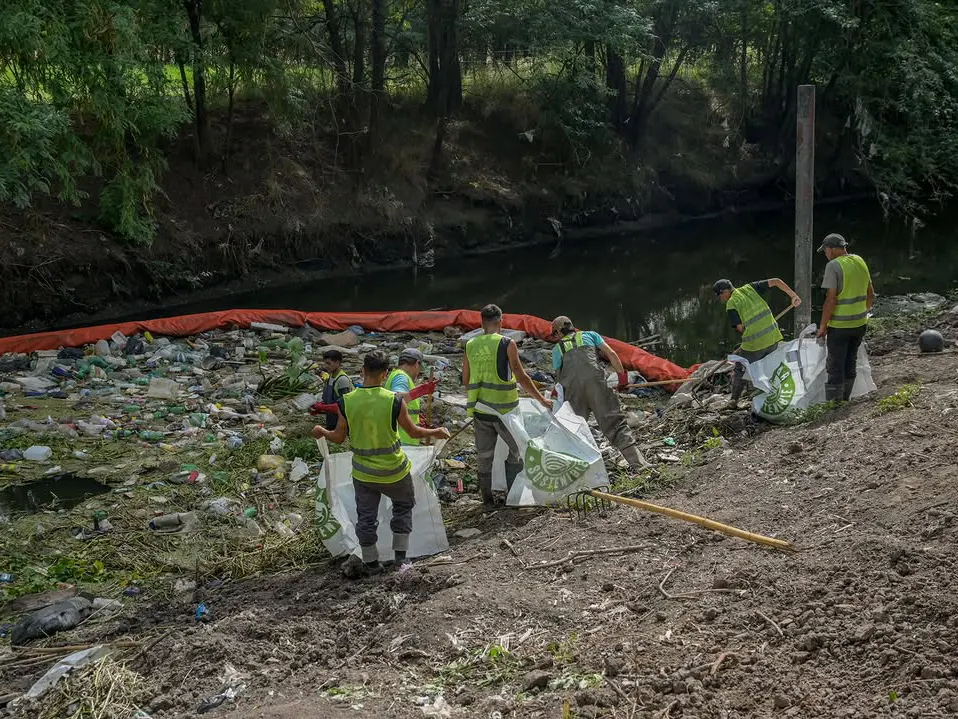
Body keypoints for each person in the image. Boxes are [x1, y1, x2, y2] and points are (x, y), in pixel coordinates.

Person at [313, 350, 449, 576]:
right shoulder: (394, 400)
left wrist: (322, 431)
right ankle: (401, 560)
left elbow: (338, 437)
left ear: (362, 371)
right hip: (395, 471)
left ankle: (371, 564)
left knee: (366, 518)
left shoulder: (347, 402)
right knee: (402, 508)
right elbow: (413, 432)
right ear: (385, 374)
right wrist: (436, 431)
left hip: (364, 474)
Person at [463, 304, 552, 505]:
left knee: (484, 456)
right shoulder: (506, 343)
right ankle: (513, 497)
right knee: (517, 450)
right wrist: (542, 400)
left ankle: (487, 501)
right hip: (504, 411)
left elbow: (466, 379)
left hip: (481, 410)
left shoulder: (470, 345)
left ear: (482, 323)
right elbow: (521, 376)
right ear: (500, 321)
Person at [550, 316, 648, 468]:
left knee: (574, 429)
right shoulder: (590, 335)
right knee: (615, 423)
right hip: (597, 386)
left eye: (554, 334)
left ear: (558, 332)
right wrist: (622, 377)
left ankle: (577, 468)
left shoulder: (557, 350)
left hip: (574, 393)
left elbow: (559, 379)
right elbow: (611, 354)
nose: (554, 337)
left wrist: (555, 396)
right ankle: (639, 464)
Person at [713, 277, 801, 407]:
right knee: (771, 368)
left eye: (720, 295)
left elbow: (740, 328)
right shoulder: (750, 288)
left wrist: (748, 334)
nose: (721, 298)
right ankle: (774, 396)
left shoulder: (731, 304)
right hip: (773, 337)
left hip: (754, 343)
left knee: (740, 368)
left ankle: (733, 401)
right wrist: (793, 296)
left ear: (725, 291)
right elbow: (776, 281)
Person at [816, 233, 873, 402]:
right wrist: (864, 312)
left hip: (840, 326)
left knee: (835, 366)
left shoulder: (833, 266)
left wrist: (823, 326)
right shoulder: (859, 260)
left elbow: (830, 299)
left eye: (826, 250)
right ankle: (845, 399)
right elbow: (870, 292)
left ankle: (834, 406)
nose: (825, 254)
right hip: (860, 323)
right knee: (850, 361)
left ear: (833, 249)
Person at [386, 348, 438, 446]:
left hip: (402, 439)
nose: (418, 373)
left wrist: (417, 420)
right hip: (402, 440)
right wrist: (421, 390)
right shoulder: (401, 377)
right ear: (417, 363)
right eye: (419, 368)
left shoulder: (397, 375)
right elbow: (396, 399)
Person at [311, 349, 353, 428]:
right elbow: (328, 400)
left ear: (337, 362)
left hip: (342, 424)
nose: (326, 366)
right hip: (332, 421)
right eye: (325, 363)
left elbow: (344, 406)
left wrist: (322, 407)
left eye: (329, 363)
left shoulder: (342, 380)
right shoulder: (330, 377)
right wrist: (319, 408)